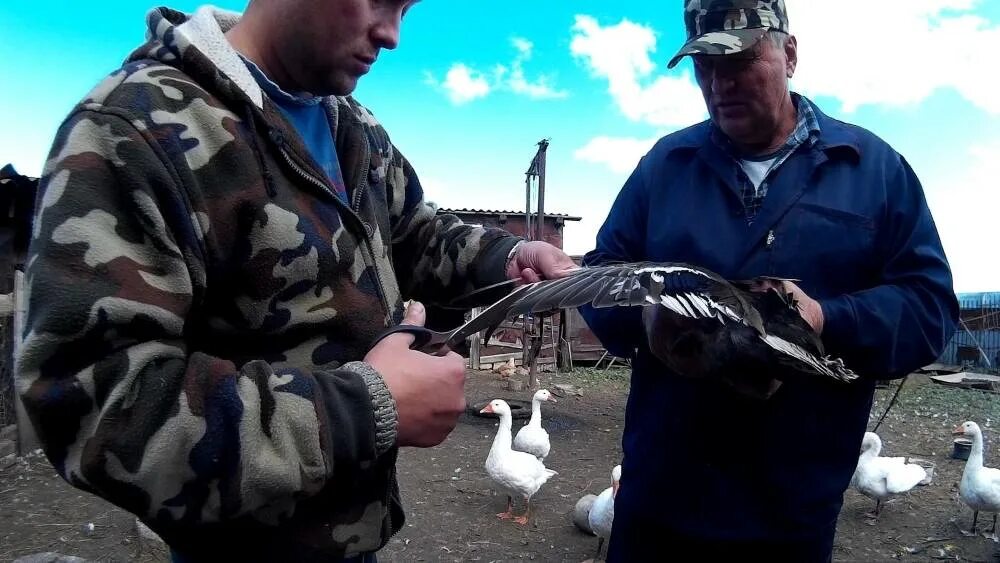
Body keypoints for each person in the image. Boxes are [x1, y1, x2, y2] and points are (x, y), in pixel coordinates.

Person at [15, 2, 576, 562]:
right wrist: (365, 407)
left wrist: (509, 257)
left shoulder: (354, 128)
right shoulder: (134, 130)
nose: (393, 34)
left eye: (406, 8)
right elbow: (98, 404)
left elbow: (415, 236)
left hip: (353, 537)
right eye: (380, 1)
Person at [578, 1, 960, 561]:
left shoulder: (872, 169)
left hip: (791, 511)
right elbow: (601, 281)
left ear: (790, 54)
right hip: (662, 498)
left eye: (740, 59)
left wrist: (826, 317)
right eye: (703, 66)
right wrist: (651, 312)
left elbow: (930, 310)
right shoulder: (665, 166)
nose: (719, 82)